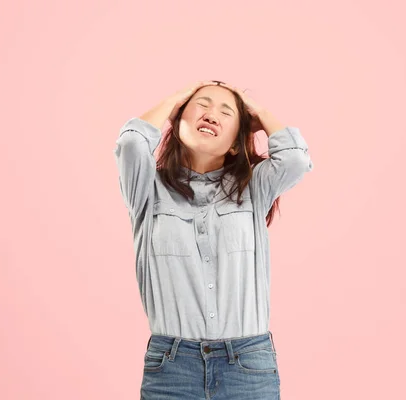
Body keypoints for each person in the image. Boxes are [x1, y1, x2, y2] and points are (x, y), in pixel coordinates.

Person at [114, 80, 313, 399]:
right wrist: (173, 100)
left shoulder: (254, 189)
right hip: (172, 367)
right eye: (201, 105)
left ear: (236, 142)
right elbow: (131, 144)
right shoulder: (148, 190)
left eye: (226, 111)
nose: (211, 114)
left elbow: (294, 160)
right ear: (177, 121)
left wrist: (258, 113)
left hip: (247, 365)